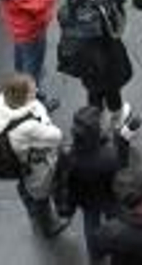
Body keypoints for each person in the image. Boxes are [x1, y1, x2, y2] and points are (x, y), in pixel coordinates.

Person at [0, 72, 69, 238]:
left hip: (19, 160)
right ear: (22, 97)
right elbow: (56, 136)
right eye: (32, 90)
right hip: (35, 165)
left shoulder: (4, 107)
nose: (36, 89)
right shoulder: (27, 126)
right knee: (41, 195)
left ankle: (31, 209)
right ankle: (48, 225)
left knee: (26, 186)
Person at [57, 0, 135, 128]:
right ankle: (117, 119)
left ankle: (94, 121)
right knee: (112, 92)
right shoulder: (100, 13)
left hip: (85, 66)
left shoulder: (64, 12)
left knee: (93, 92)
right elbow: (117, 29)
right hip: (108, 63)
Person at [55, 104, 131, 259]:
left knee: (91, 225)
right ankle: (117, 249)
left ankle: (95, 254)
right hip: (110, 197)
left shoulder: (69, 156)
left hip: (86, 200)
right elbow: (122, 171)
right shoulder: (109, 155)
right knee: (115, 221)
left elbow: (66, 180)